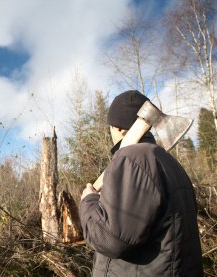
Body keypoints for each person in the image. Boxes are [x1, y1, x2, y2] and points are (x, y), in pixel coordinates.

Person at [79, 90, 203, 276]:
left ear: (118, 128)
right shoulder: (169, 163)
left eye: (110, 127)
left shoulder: (132, 159)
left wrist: (88, 201)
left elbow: (110, 240)